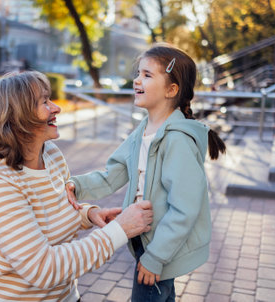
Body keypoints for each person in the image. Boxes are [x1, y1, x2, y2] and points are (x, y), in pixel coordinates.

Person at [0, 71, 153, 302]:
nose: (56, 108)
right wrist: (120, 230)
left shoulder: (50, 154)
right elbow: (42, 268)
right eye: (44, 102)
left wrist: (88, 214)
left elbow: (53, 210)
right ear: (17, 117)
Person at [66, 43, 226, 301]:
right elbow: (113, 173)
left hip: (161, 247)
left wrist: (155, 257)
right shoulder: (142, 130)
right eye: (138, 73)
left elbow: (185, 208)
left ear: (171, 90)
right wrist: (77, 185)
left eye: (147, 75)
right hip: (144, 239)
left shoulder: (177, 141)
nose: (137, 80)